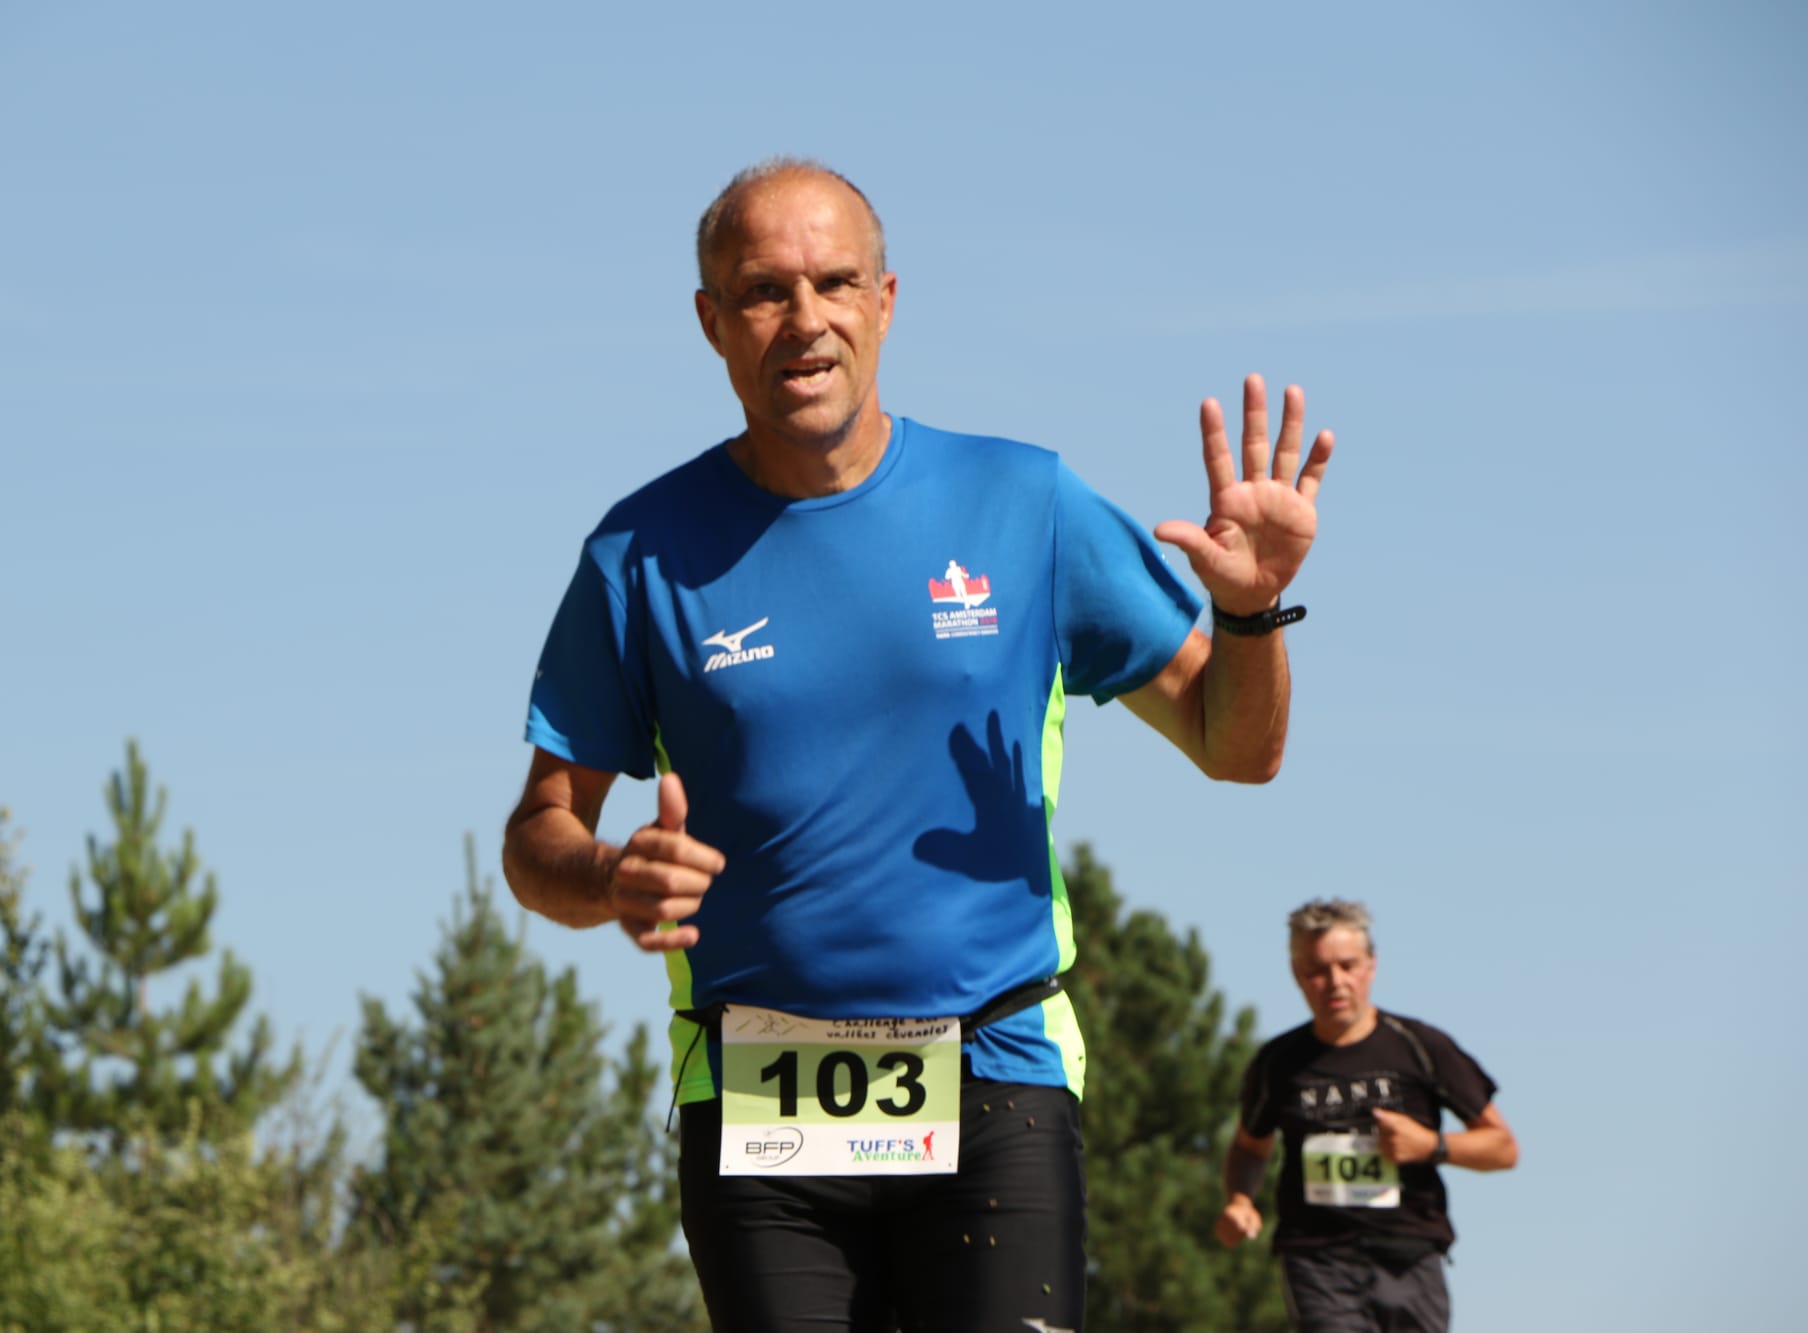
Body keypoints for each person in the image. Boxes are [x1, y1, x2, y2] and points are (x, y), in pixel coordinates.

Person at [503, 155, 1335, 1332]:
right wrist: (604, 875)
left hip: (994, 1068)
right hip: (758, 1100)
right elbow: (537, 836)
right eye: (761, 291)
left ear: (885, 301)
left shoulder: (1023, 502)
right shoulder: (637, 556)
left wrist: (1246, 615)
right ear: (710, 323)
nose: (804, 321)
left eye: (834, 283)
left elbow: (1235, 746)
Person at [1216, 900, 1520, 1332]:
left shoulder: (1420, 1047)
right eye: (1317, 970)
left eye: (1347, 965)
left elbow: (1503, 1147)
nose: (1334, 982)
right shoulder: (1278, 1063)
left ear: (1371, 965)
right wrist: (1239, 1201)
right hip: (1317, 1258)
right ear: (1297, 974)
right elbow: (1250, 1146)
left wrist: (1430, 1145)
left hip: (1410, 1254)